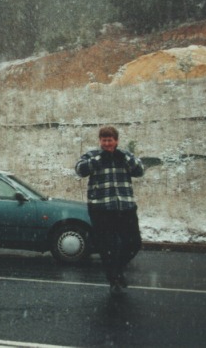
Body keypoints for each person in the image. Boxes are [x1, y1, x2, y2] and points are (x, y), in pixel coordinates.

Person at [75, 125, 144, 295]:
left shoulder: (125, 155)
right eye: (104, 140)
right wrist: (99, 160)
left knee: (134, 243)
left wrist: (124, 158)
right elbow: (80, 170)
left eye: (110, 140)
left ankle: (117, 270)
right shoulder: (92, 155)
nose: (107, 143)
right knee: (107, 246)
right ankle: (113, 278)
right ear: (100, 141)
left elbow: (139, 171)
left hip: (125, 207)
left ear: (116, 141)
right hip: (101, 209)